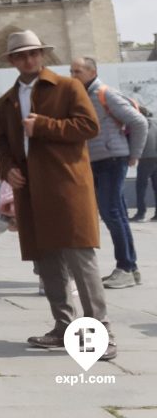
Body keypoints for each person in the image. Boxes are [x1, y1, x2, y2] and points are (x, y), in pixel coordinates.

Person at [0, 31, 115, 360]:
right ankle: (64, 327)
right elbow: (1, 142)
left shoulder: (68, 87)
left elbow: (89, 126)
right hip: (30, 190)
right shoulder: (6, 100)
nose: (29, 60)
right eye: (21, 55)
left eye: (34, 53)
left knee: (81, 261)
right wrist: (7, 168)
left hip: (66, 186)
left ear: (42, 55)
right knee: (47, 263)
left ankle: (100, 332)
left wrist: (44, 126)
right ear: (12, 61)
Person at [70, 56, 147, 289]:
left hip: (112, 160)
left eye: (78, 71)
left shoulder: (105, 93)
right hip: (99, 161)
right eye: (71, 71)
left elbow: (139, 122)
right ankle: (130, 269)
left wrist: (134, 154)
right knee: (117, 213)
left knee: (111, 212)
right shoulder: (82, 94)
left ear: (92, 72)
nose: (73, 76)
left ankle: (125, 267)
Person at [132, 106, 157, 221]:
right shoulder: (155, 122)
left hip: (146, 157)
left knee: (141, 186)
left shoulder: (140, 123)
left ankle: (141, 213)